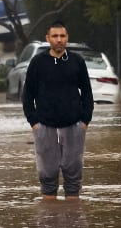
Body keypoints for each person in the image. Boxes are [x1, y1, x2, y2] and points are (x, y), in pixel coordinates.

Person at [22, 21, 93, 201]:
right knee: (47, 174)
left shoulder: (77, 61)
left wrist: (85, 121)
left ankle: (73, 219)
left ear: (67, 38)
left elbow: (87, 92)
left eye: (62, 36)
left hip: (74, 124)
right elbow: (27, 94)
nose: (59, 40)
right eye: (55, 36)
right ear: (48, 39)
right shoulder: (38, 62)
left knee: (73, 173)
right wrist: (34, 123)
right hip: (44, 125)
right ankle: (49, 220)